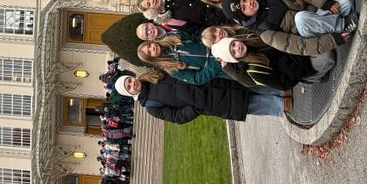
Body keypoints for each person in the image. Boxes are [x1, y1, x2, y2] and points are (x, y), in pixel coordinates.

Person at [114, 69, 287, 121]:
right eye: (129, 86)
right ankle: (286, 106)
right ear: (130, 93)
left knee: (249, 87)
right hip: (210, 102)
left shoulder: (152, 75)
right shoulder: (151, 106)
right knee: (252, 104)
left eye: (129, 80)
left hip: (212, 83)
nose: (132, 83)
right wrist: (196, 107)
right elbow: (177, 117)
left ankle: (284, 90)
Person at [219, 0, 358, 40]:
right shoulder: (263, 30)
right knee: (300, 18)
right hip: (307, 32)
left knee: (347, 1)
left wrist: (324, 2)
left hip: (315, 14)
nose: (248, 3)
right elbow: (295, 46)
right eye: (244, 8)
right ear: (244, 16)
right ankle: (342, 26)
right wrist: (332, 41)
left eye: (244, 0)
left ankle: (334, 24)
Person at [211, 36, 332, 92]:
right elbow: (283, 84)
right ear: (234, 58)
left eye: (233, 44)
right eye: (233, 52)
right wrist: (298, 68)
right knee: (329, 56)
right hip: (301, 67)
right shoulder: (253, 70)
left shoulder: (253, 40)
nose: (237, 48)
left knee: (326, 42)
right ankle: (312, 78)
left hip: (298, 49)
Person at [136, 35, 228, 85]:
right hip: (222, 68)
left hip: (220, 46)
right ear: (152, 59)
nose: (153, 49)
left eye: (149, 46)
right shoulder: (172, 70)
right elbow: (196, 79)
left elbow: (198, 36)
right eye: (149, 52)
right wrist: (216, 64)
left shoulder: (173, 38)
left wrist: (213, 42)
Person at [136, 0, 228, 29]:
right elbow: (194, 28)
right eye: (149, 4)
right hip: (219, 19)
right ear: (150, 11)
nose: (152, 1)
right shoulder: (169, 21)